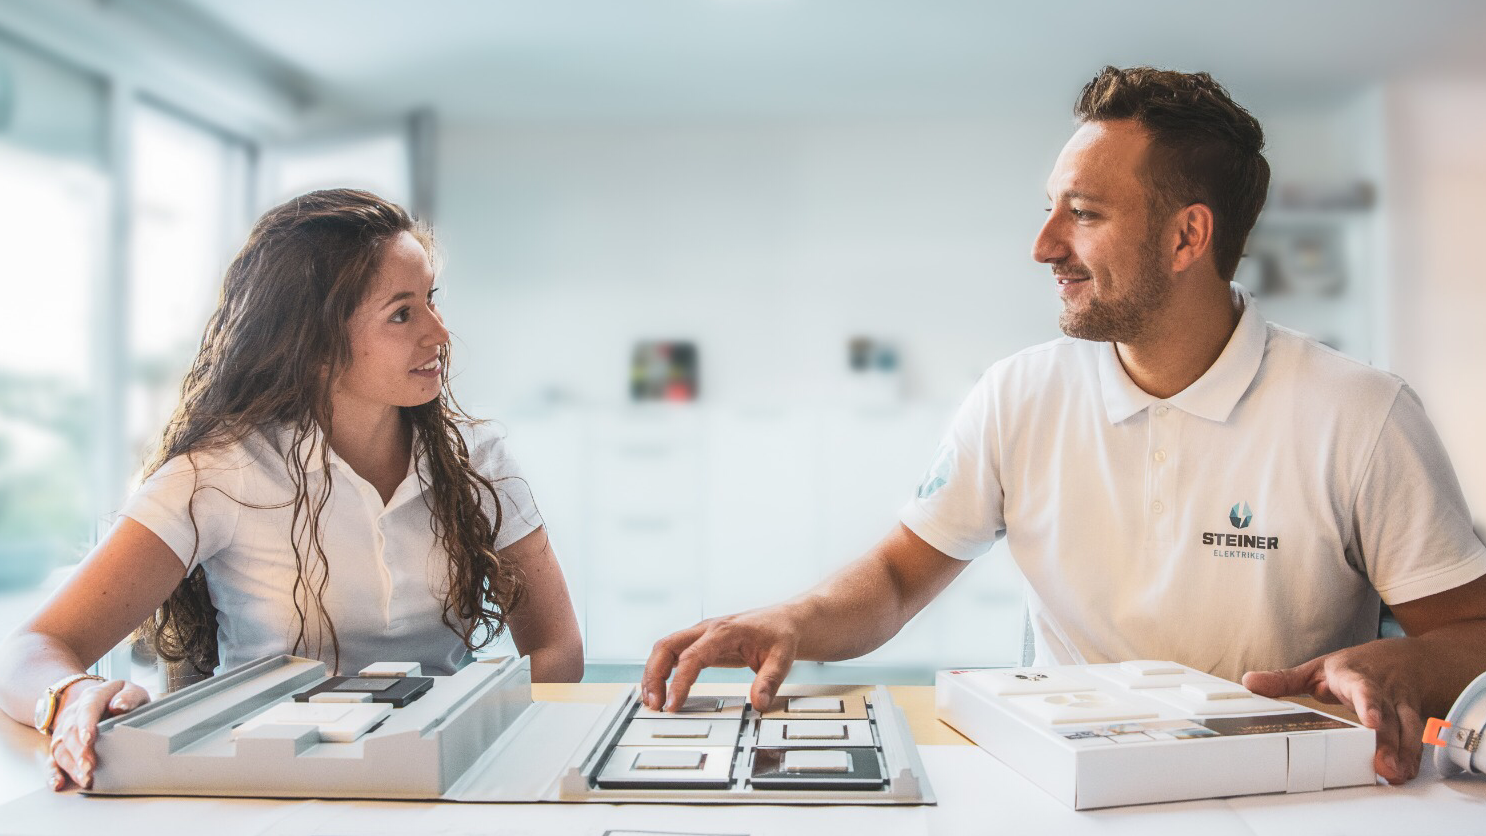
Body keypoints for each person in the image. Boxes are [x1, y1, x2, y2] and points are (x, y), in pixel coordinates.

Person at [642, 66, 1486, 785]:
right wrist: (793, 620)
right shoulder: (1019, 393)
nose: (1043, 245)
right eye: (1053, 209)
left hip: (1277, 791)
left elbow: (1471, 638)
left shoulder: (1361, 413)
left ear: (1188, 234)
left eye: (1082, 213)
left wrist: (1401, 662)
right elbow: (900, 578)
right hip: (1062, 782)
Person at [0, 189, 584, 791]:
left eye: (432, 301)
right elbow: (32, 649)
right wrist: (70, 694)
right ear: (318, 341)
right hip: (264, 787)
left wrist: (472, 735)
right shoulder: (219, 472)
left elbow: (557, 646)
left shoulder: (479, 458)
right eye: (402, 313)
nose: (439, 332)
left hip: (442, 776)